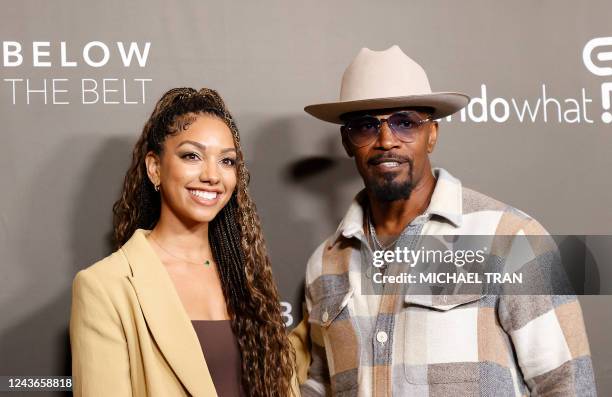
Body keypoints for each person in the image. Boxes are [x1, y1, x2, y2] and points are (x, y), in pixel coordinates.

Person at [290, 46, 596, 396]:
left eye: (405, 123)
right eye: (366, 126)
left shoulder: (509, 237)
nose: (387, 141)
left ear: (432, 134)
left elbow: (567, 384)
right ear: (347, 142)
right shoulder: (325, 263)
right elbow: (323, 383)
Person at [70, 88, 296, 397]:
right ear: (154, 168)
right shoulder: (104, 286)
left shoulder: (248, 277)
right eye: (192, 156)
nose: (212, 175)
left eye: (227, 161)